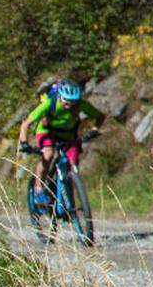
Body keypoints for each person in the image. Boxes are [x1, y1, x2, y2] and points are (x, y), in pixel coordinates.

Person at [18, 79, 103, 211]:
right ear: (60, 97)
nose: (70, 104)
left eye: (73, 101)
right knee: (48, 154)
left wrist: (95, 129)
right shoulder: (49, 103)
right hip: (46, 131)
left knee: (73, 163)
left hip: (68, 133)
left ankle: (68, 197)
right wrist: (24, 143)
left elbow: (100, 116)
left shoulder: (80, 105)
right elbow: (26, 123)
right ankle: (38, 189)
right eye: (66, 101)